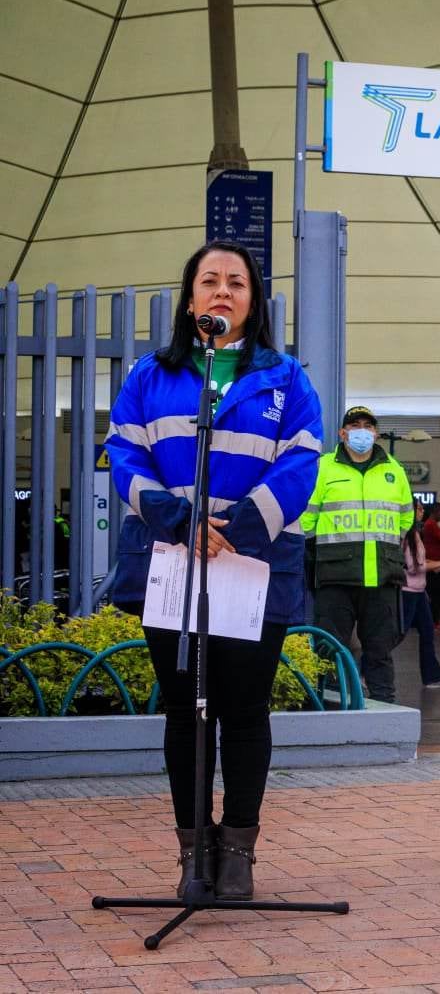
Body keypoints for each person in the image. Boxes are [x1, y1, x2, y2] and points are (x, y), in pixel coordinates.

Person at [105, 240, 323, 899]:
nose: (223, 290)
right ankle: (193, 852)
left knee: (245, 709)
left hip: (254, 562)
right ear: (190, 299)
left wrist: (240, 528)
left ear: (254, 302)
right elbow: (124, 454)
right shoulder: (151, 374)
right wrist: (180, 521)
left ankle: (238, 852)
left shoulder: (287, 377)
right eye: (209, 281)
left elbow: (302, 459)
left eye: (237, 282)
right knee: (186, 711)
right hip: (173, 559)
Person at [301, 406, 414, 704]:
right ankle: (330, 708)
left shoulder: (394, 470)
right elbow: (305, 520)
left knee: (380, 652)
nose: (361, 431)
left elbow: (405, 518)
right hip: (335, 576)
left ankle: (385, 709)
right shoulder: (323, 467)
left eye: (368, 426)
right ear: (342, 433)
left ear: (375, 433)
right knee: (329, 650)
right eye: (354, 426)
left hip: (381, 577)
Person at [401, 500, 440, 690]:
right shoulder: (409, 535)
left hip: (417, 591)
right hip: (408, 592)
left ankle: (433, 677)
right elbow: (414, 567)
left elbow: (419, 562)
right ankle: (366, 670)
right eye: (419, 508)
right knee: (397, 634)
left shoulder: (415, 534)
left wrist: (434, 563)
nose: (422, 511)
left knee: (427, 633)